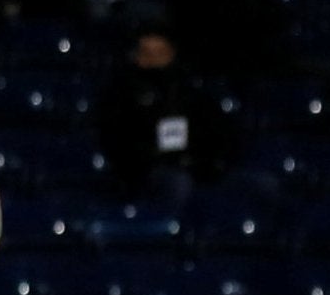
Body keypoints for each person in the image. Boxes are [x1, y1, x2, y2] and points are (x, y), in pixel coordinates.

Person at [98, 27, 232, 209]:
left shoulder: (190, 92)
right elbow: (120, 146)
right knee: (177, 183)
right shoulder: (124, 94)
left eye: (160, 53)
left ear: (172, 54)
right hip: (146, 173)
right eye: (147, 53)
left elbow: (212, 137)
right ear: (136, 57)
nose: (153, 60)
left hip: (194, 168)